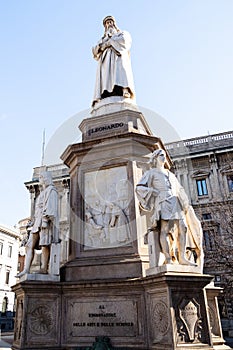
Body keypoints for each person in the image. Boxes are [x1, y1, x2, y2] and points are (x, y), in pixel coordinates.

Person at [136, 149, 203, 267]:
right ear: (155, 158)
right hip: (162, 202)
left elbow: (179, 189)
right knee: (165, 230)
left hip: (175, 202)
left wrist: (186, 203)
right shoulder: (151, 173)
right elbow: (139, 188)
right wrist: (152, 191)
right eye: (161, 155)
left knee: (183, 228)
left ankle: (182, 257)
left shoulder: (171, 174)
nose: (164, 158)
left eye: (165, 156)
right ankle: (168, 258)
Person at [16, 171, 59, 277]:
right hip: (36, 223)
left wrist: (45, 220)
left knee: (45, 244)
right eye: (39, 177)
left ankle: (44, 268)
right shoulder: (43, 192)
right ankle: (26, 269)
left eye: (41, 177)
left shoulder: (51, 191)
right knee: (29, 245)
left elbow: (50, 207)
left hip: (44, 222)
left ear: (46, 178)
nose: (40, 179)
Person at [92, 15, 135, 106]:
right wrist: (102, 45)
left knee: (120, 72)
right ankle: (105, 94)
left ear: (114, 23)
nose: (109, 24)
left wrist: (110, 42)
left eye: (110, 22)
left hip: (118, 56)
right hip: (106, 60)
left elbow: (124, 41)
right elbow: (95, 50)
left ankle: (124, 89)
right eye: (107, 23)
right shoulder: (102, 39)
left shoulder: (121, 33)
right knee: (106, 77)